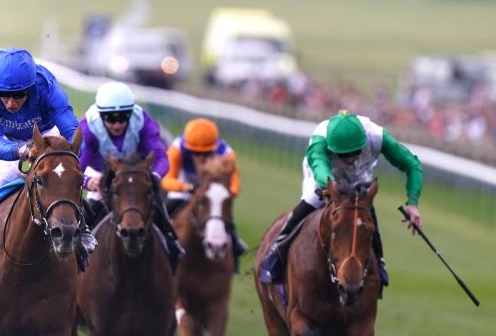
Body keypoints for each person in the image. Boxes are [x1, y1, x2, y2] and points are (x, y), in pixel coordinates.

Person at [0, 47, 95, 259]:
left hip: (45, 134)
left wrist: (69, 152)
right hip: (8, 140)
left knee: (62, 174)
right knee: (6, 175)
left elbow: (72, 129)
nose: (10, 103)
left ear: (30, 88)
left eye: (18, 96)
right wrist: (22, 150)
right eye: (4, 96)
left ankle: (82, 226)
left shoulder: (47, 87)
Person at [259, 110, 424, 290]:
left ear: (364, 141)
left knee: (364, 212)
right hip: (324, 173)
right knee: (312, 200)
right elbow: (318, 164)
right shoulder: (320, 138)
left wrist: (413, 203)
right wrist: (329, 185)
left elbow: (412, 164)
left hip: (360, 176)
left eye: (355, 152)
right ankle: (277, 251)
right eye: (343, 154)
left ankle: (379, 260)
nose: (350, 159)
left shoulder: (378, 136)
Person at [79, 81, 184, 271]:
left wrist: (153, 177)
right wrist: (88, 182)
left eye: (123, 117)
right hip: (99, 172)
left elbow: (161, 157)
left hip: (136, 171)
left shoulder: (142, 120)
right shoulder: (88, 128)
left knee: (159, 209)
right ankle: (76, 256)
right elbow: (76, 167)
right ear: (101, 115)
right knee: (87, 216)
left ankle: (172, 246)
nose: (117, 124)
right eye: (111, 118)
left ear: (131, 113)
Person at [162, 117, 247, 272]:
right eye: (195, 153)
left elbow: (235, 186)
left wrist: (222, 193)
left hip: (212, 190)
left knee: (223, 216)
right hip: (184, 187)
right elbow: (166, 180)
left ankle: (235, 248)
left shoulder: (227, 154)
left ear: (214, 147)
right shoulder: (177, 148)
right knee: (163, 213)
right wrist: (187, 187)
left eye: (206, 153)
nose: (201, 157)